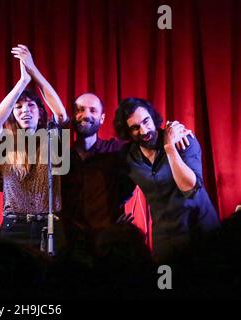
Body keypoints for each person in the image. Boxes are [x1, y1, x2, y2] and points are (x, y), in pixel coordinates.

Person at [113, 97, 220, 263]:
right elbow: (120, 193)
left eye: (146, 121)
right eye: (135, 128)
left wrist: (170, 149)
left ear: (153, 118)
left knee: (206, 286)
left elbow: (189, 188)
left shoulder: (183, 140)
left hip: (200, 231)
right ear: (127, 132)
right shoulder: (129, 158)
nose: (143, 131)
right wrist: (114, 219)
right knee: (166, 286)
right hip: (165, 239)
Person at [0, 45, 68, 253]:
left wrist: (33, 70)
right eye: (19, 107)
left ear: (40, 112)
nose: (25, 111)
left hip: (49, 224)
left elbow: (60, 115)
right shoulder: (7, 141)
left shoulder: (52, 138)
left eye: (31, 106)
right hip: (15, 226)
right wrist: (22, 82)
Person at [60, 93, 134, 257]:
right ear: (73, 116)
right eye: (80, 110)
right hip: (70, 243)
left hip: (108, 241)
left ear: (102, 118)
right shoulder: (61, 156)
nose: (86, 115)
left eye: (93, 110)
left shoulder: (117, 150)